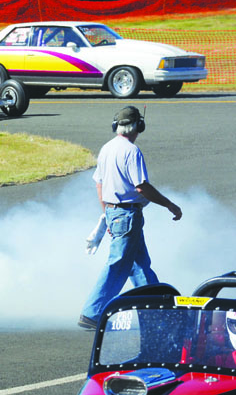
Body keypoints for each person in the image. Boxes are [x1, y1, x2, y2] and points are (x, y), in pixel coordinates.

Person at [78, 106, 182, 329]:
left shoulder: (106, 149)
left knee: (140, 265)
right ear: (138, 126)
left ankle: (154, 309)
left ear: (117, 126)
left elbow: (99, 183)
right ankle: (92, 313)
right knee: (118, 265)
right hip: (127, 214)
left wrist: (107, 212)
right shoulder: (131, 152)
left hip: (116, 214)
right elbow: (142, 187)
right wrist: (169, 205)